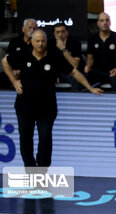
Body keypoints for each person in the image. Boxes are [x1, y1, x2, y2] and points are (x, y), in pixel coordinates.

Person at [1, 29, 103, 168]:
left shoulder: (55, 55)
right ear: (32, 41)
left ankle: (42, 171)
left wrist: (90, 88)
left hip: (47, 108)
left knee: (45, 138)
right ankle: (30, 169)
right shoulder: (24, 54)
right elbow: (5, 61)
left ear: (46, 41)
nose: (40, 44)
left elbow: (74, 72)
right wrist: (14, 81)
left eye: (43, 41)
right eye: (37, 41)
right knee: (25, 137)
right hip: (24, 106)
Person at [85, 12, 116, 91]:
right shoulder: (92, 39)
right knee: (83, 78)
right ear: (98, 23)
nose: (105, 23)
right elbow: (90, 58)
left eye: (107, 20)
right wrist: (88, 66)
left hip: (114, 72)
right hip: (98, 72)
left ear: (110, 23)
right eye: (102, 20)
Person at [0, 18, 37, 89]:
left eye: (34, 28)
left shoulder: (38, 43)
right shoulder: (15, 41)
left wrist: (20, 71)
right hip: (13, 73)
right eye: (30, 28)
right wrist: (12, 72)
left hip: (30, 73)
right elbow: (7, 59)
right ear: (23, 29)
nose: (32, 30)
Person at [47, 23, 84, 91]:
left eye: (62, 31)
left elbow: (75, 64)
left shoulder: (75, 43)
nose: (60, 35)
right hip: (55, 71)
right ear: (54, 33)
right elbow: (48, 62)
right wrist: (54, 74)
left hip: (69, 72)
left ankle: (75, 99)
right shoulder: (49, 43)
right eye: (57, 32)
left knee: (76, 80)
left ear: (67, 32)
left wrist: (63, 49)